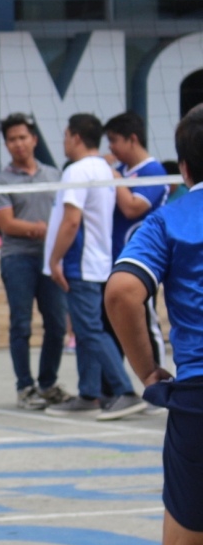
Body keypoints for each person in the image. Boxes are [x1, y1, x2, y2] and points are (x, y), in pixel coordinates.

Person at [106, 102, 203, 545]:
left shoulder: (170, 218)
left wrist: (147, 372)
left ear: (183, 165)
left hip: (199, 393)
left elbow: (121, 292)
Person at [44, 113, 146, 420]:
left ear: (76, 137)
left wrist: (54, 259)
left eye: (65, 136)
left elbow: (72, 221)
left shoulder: (77, 170)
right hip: (99, 263)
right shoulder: (104, 168)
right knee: (88, 329)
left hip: (81, 263)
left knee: (89, 330)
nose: (64, 142)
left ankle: (125, 392)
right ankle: (89, 394)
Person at [0, 113, 68, 410]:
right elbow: (6, 224)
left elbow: (66, 214)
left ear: (34, 139)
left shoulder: (54, 175)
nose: (18, 143)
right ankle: (25, 387)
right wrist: (42, 228)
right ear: (6, 145)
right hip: (17, 258)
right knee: (21, 324)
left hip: (50, 258)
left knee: (57, 324)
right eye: (12, 139)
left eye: (23, 137)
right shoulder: (0, 180)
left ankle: (47, 384)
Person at [105, 111, 168, 369]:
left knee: (146, 319)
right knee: (112, 325)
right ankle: (116, 385)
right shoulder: (119, 170)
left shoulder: (153, 171)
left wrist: (115, 179)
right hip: (113, 260)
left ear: (132, 139)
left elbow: (133, 208)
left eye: (114, 140)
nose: (110, 147)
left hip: (143, 261)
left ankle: (159, 378)